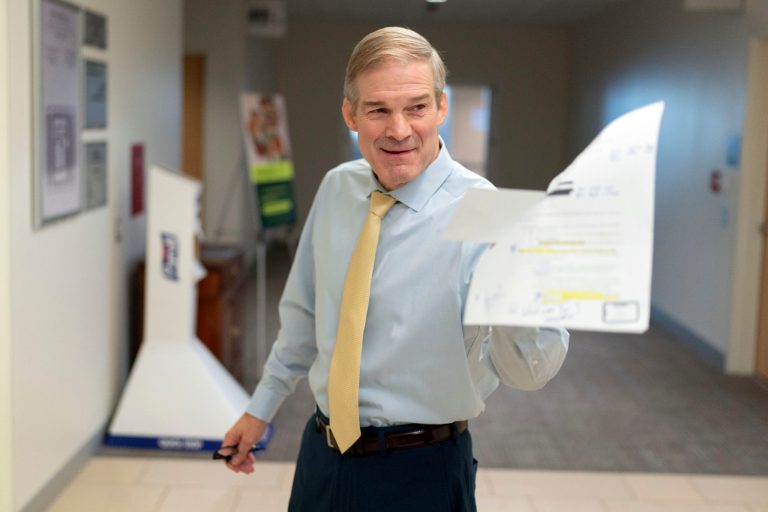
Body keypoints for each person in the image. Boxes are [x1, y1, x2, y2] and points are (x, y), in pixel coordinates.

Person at [220, 26, 569, 512]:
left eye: (417, 107)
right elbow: (302, 317)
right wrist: (260, 409)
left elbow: (529, 372)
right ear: (350, 114)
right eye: (378, 109)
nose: (399, 130)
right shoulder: (337, 189)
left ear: (441, 107)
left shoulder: (490, 215)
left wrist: (516, 286)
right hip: (321, 458)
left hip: (421, 472)